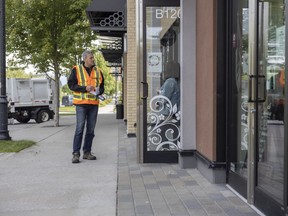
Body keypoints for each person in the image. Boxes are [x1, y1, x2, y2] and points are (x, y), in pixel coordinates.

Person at [68, 50, 105, 163]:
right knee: (79, 129)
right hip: (81, 104)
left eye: (93, 58)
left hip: (93, 104)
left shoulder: (98, 71)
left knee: (91, 130)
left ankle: (87, 152)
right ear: (85, 59)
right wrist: (85, 88)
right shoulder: (76, 69)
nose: (93, 59)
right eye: (91, 58)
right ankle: (75, 154)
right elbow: (71, 85)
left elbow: (102, 86)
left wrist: (99, 92)